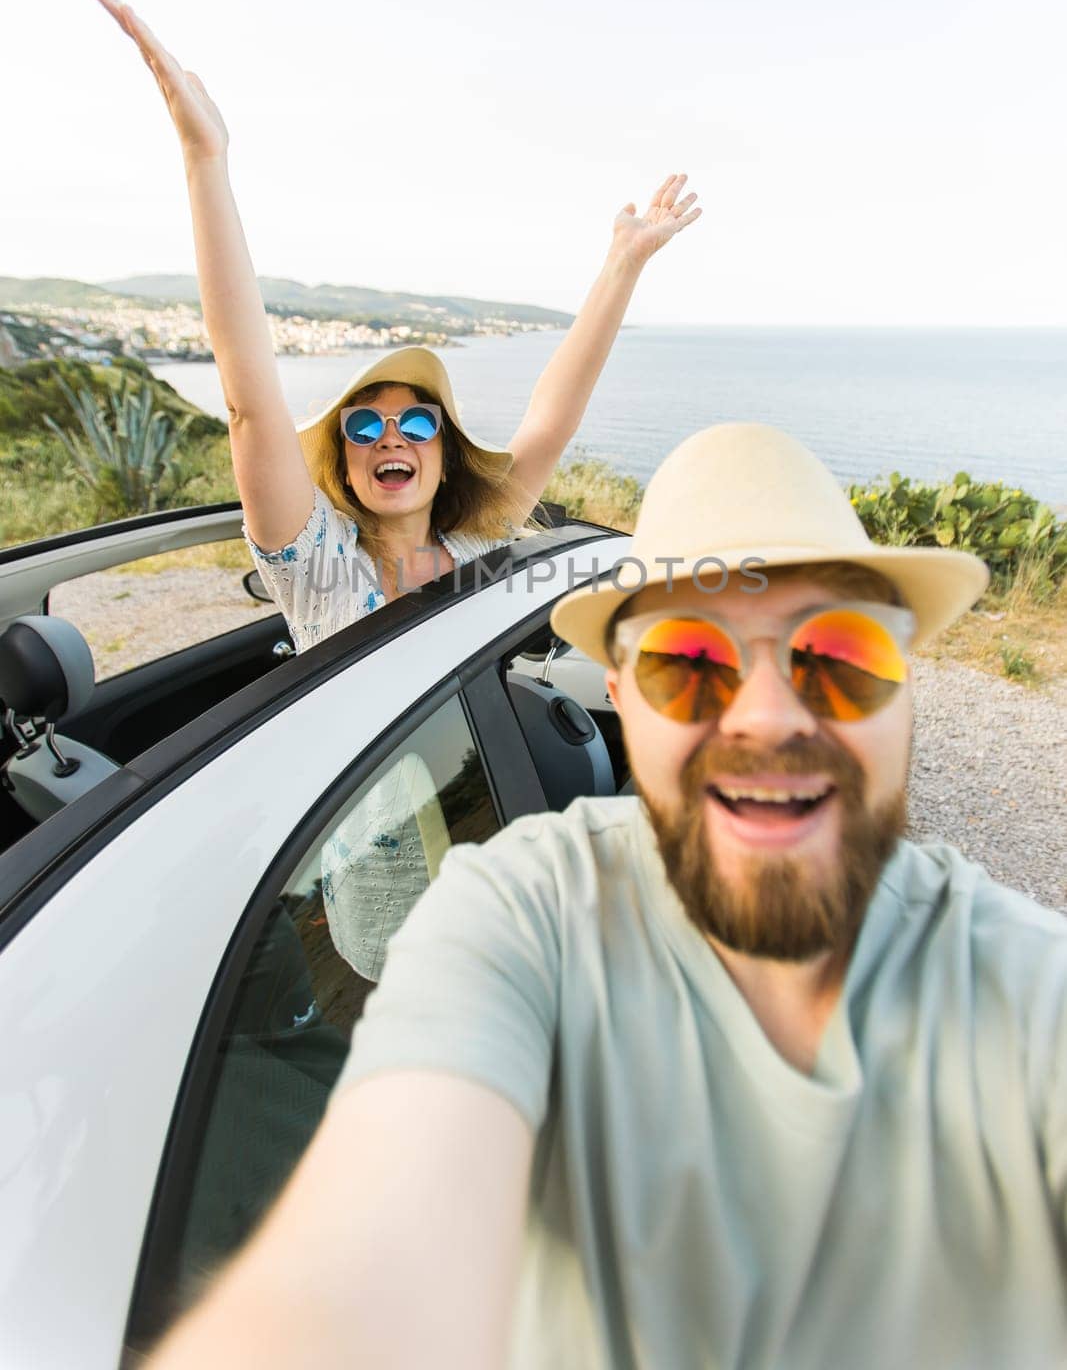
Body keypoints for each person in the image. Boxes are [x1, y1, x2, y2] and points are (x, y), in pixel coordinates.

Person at [142, 420, 1067, 1369]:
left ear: (906, 686)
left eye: (839, 654)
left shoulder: (1026, 993)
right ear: (620, 698)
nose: (767, 718)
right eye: (689, 662)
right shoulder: (520, 917)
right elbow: (370, 1253)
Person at [84, 0, 702, 650]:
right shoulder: (317, 564)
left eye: (414, 420)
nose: (390, 437)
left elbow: (551, 417)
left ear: (443, 455)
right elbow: (249, 404)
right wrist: (205, 159)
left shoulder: (477, 544)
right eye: (363, 426)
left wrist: (623, 262)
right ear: (345, 468)